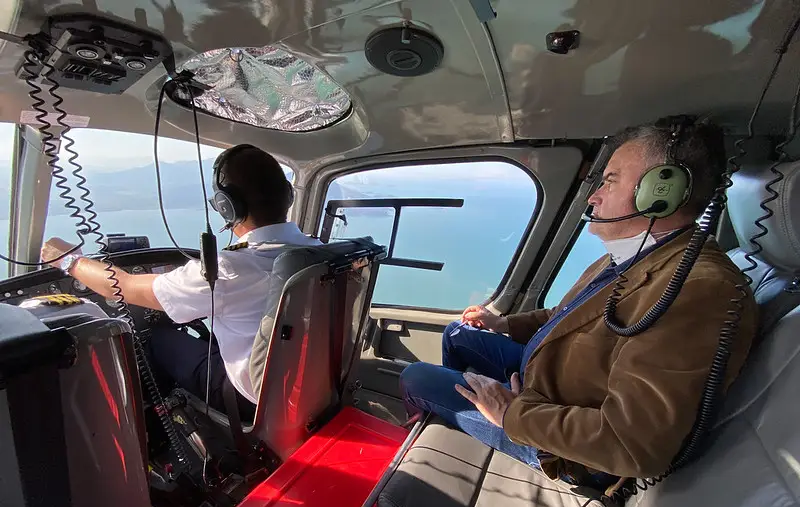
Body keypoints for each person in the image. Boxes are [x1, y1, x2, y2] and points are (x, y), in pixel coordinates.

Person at [400, 117, 758, 487]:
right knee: (459, 333)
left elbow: (632, 443)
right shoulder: (635, 254)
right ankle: (456, 410)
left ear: (660, 191)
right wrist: (504, 324)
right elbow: (567, 316)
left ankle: (449, 415)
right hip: (546, 379)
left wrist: (511, 414)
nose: (593, 196)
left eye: (610, 180)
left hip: (568, 449)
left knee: (415, 377)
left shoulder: (696, 289)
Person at [41, 144, 320, 420]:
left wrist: (69, 261)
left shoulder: (228, 268)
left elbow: (120, 285)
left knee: (158, 340)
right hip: (308, 383)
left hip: (251, 398)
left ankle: (158, 434)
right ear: (287, 195)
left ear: (226, 206)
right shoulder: (318, 250)